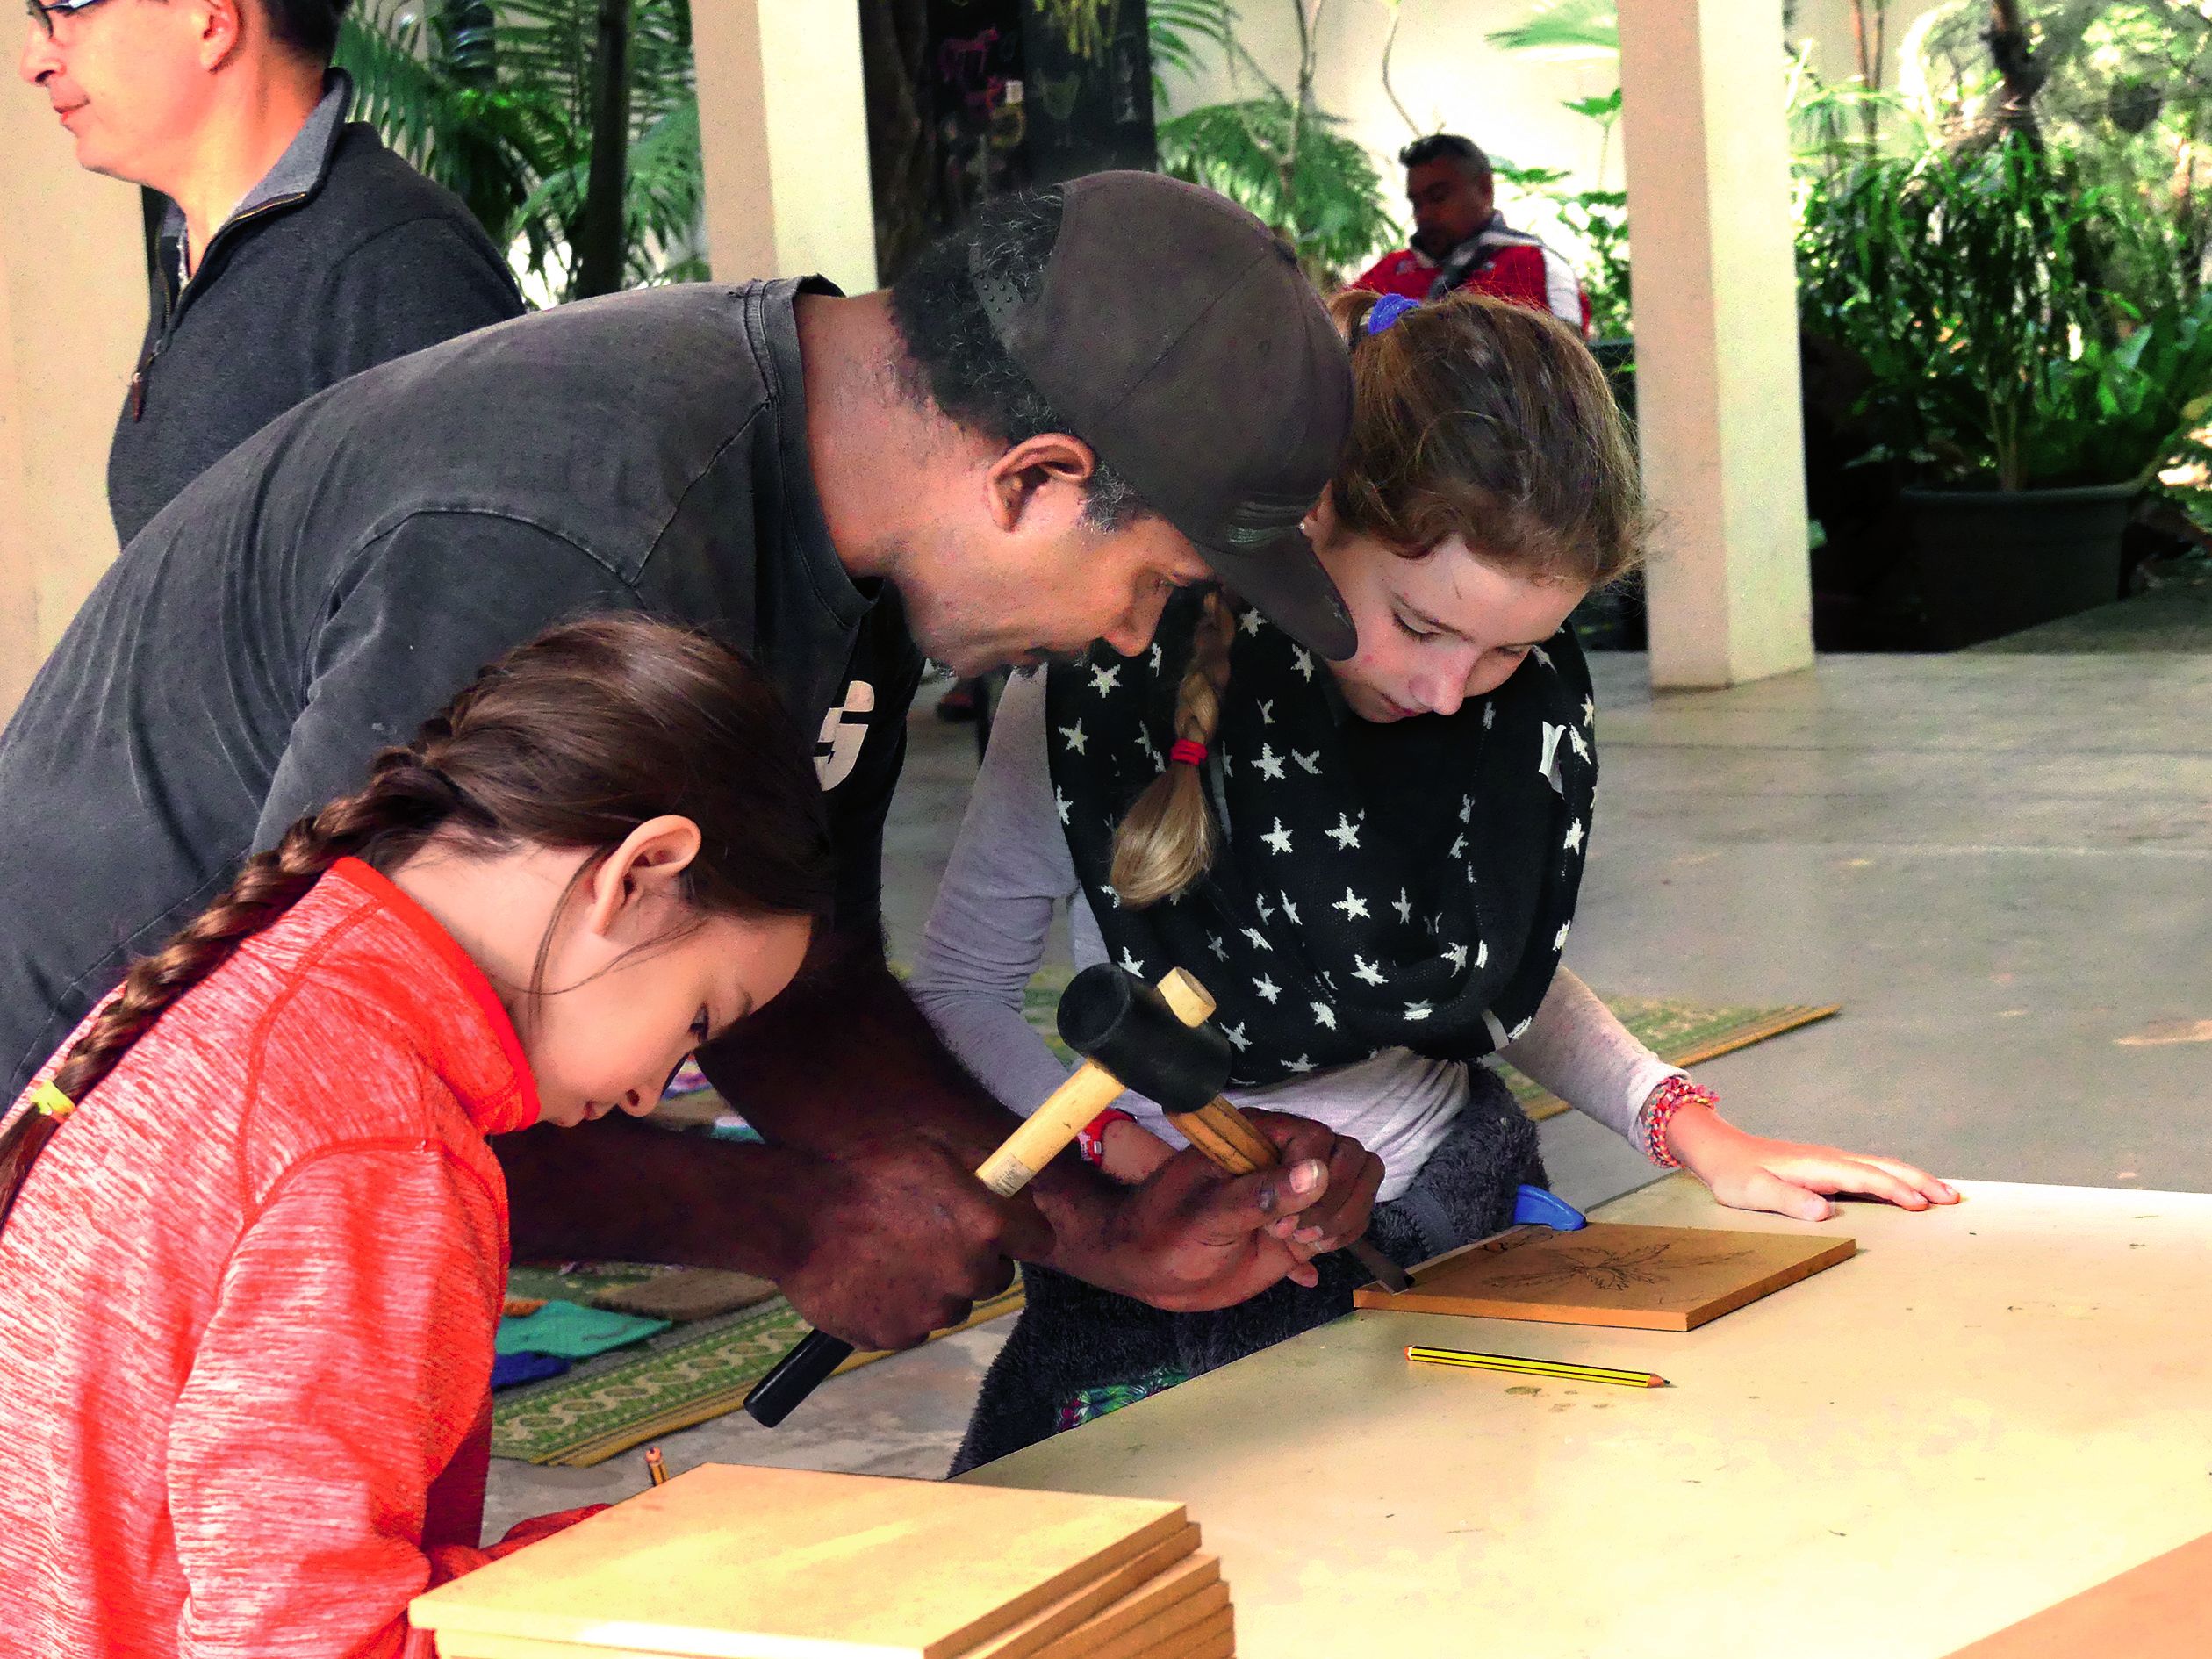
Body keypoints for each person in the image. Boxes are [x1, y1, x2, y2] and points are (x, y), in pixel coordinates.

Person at [0, 173, 1382, 1359]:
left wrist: (1091, 1221)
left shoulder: (857, 515)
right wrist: (783, 1215)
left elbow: (787, 967)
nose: (1126, 635)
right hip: (73, 1168)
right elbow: (356, 1069)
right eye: (1151, 584)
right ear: (1032, 479)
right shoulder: (582, 541)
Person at [910, 291, 1957, 1469]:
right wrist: (1138, 1174)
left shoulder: (1510, 714)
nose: (1450, 689)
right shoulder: (1096, 689)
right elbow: (959, 991)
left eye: (1509, 648)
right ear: (1318, 517)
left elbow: (1490, 971)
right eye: (1418, 623)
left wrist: (1690, 1124)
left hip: (1460, 1210)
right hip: (1166, 1260)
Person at [0, 617, 836, 1655]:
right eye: (701, 1018)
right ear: (641, 871)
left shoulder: (268, 978)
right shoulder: (379, 1148)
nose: (651, 1091)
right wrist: (645, 1573)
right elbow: (308, 1638)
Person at [18, 0, 523, 544]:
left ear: (211, 22)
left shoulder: (394, 264)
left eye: (63, 10)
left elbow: (476, 598)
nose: (34, 61)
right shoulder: (195, 249)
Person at [1352, 133, 1589, 336]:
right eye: (1416, 203)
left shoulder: (1534, 266)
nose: (1423, 214)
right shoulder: (1389, 273)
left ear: (1485, 189)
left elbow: (1567, 370)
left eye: (1438, 197)